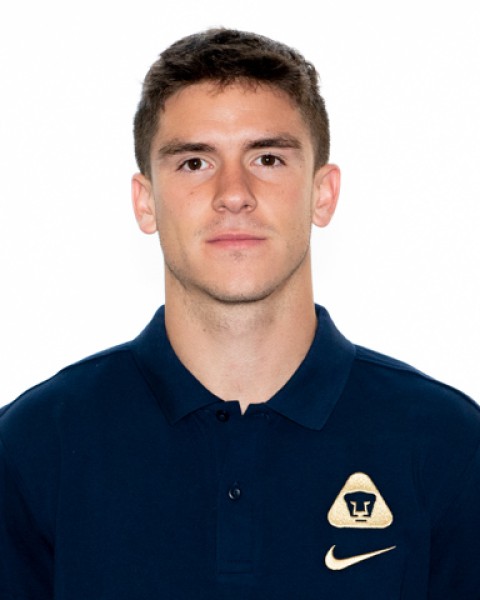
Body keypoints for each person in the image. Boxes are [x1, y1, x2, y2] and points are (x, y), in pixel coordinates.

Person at [1, 28, 479, 600]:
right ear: (146, 202)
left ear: (322, 194)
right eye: (194, 162)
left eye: (268, 158)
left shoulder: (448, 443)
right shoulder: (33, 446)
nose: (233, 192)